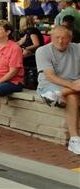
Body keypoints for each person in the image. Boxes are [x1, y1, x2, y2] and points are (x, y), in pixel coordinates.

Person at [34, 25, 80, 154]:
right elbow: (50, 76)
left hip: (72, 85)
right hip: (50, 85)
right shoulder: (42, 51)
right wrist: (73, 86)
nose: (60, 41)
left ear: (70, 39)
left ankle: (56, 95)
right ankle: (74, 139)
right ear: (51, 38)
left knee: (72, 94)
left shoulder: (77, 49)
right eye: (57, 37)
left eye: (64, 38)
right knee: (73, 96)